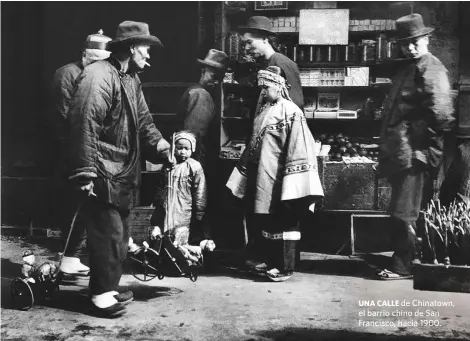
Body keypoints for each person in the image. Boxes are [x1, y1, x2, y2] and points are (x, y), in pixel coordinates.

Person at [67, 21, 173, 317]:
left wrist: (162, 146)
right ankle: (100, 293)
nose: (149, 57)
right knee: (108, 234)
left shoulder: (129, 77)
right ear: (130, 47)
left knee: (120, 234)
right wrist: (85, 172)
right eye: (146, 49)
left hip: (122, 171)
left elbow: (143, 119)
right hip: (102, 169)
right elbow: (83, 124)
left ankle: (107, 286)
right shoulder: (97, 76)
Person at [226, 66, 324, 282]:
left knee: (285, 222)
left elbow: (299, 146)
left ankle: (284, 267)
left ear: (279, 87)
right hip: (264, 176)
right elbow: (254, 145)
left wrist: (294, 177)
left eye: (266, 87)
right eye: (260, 87)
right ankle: (272, 262)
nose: (262, 91)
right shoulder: (264, 111)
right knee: (269, 222)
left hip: (283, 177)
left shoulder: (291, 112)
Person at [377, 14, 455, 280]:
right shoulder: (409, 68)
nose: (410, 47)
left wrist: (422, 140)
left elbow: (442, 114)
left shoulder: (431, 68)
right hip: (402, 151)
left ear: (426, 39)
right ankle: (412, 259)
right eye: (405, 43)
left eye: (416, 41)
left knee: (404, 212)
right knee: (407, 210)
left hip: (415, 153)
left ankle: (403, 266)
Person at [50, 30, 112, 276]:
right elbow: (66, 118)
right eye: (93, 59)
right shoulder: (66, 74)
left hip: (92, 149)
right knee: (75, 204)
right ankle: (67, 258)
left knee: (88, 206)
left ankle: (72, 256)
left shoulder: (101, 75)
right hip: (70, 150)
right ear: (84, 55)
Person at [177, 49, 228, 244]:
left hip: (194, 157)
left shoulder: (196, 91)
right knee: (198, 203)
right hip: (197, 158)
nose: (215, 81)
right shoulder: (201, 95)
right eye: (213, 76)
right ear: (203, 71)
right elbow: (193, 135)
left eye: (219, 78)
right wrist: (193, 165)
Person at [149, 131, 208, 251]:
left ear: (192, 149)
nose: (182, 151)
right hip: (167, 206)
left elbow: (200, 190)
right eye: (179, 148)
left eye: (186, 148)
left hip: (184, 208)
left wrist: (200, 211)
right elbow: (160, 186)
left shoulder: (194, 166)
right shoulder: (168, 166)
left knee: (181, 233)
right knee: (164, 232)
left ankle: (182, 256)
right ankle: (165, 255)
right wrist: (158, 202)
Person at [238, 16, 304, 110]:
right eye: (244, 44)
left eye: (249, 42)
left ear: (265, 39)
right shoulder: (265, 63)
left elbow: (296, 103)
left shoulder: (282, 62)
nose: (246, 48)